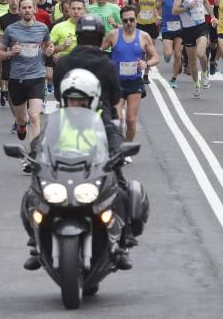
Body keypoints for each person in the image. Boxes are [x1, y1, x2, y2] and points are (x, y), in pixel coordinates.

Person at [49, 15, 132, 271]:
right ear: (98, 38)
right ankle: (124, 240)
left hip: (67, 122)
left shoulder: (64, 62)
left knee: (39, 187)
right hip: (101, 122)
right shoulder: (106, 64)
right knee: (119, 186)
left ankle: (34, 240)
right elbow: (117, 96)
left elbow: (55, 92)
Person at [0, 0, 52, 150]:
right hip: (17, 78)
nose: (27, 10)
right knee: (22, 119)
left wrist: (49, 51)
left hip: (37, 77)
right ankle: (21, 126)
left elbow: (49, 47)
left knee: (34, 116)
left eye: (30, 7)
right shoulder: (11, 30)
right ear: (19, 10)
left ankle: (34, 153)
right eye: (24, 8)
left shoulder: (42, 28)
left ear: (35, 9)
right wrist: (10, 53)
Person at [101, 5, 158, 143]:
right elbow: (99, 50)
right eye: (125, 20)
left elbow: (156, 57)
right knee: (117, 118)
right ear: (121, 20)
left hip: (134, 82)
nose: (129, 23)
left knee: (131, 119)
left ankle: (127, 147)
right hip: (116, 83)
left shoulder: (144, 36)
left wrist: (146, 63)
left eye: (131, 20)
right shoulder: (113, 35)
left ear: (136, 20)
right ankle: (116, 145)